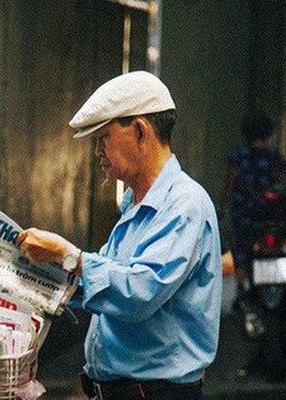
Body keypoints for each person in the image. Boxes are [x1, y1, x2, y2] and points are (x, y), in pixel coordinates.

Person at [17, 71, 222, 400]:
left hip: (156, 394)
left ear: (140, 131)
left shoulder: (184, 205)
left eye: (104, 138)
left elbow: (140, 292)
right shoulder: (134, 205)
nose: (98, 152)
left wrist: (70, 257)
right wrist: (40, 281)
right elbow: (110, 286)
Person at [219, 113, 286, 338]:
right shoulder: (276, 157)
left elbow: (230, 184)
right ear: (269, 133)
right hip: (270, 217)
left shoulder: (239, 156)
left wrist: (221, 208)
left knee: (240, 251)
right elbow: (281, 181)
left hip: (244, 215)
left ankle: (243, 291)